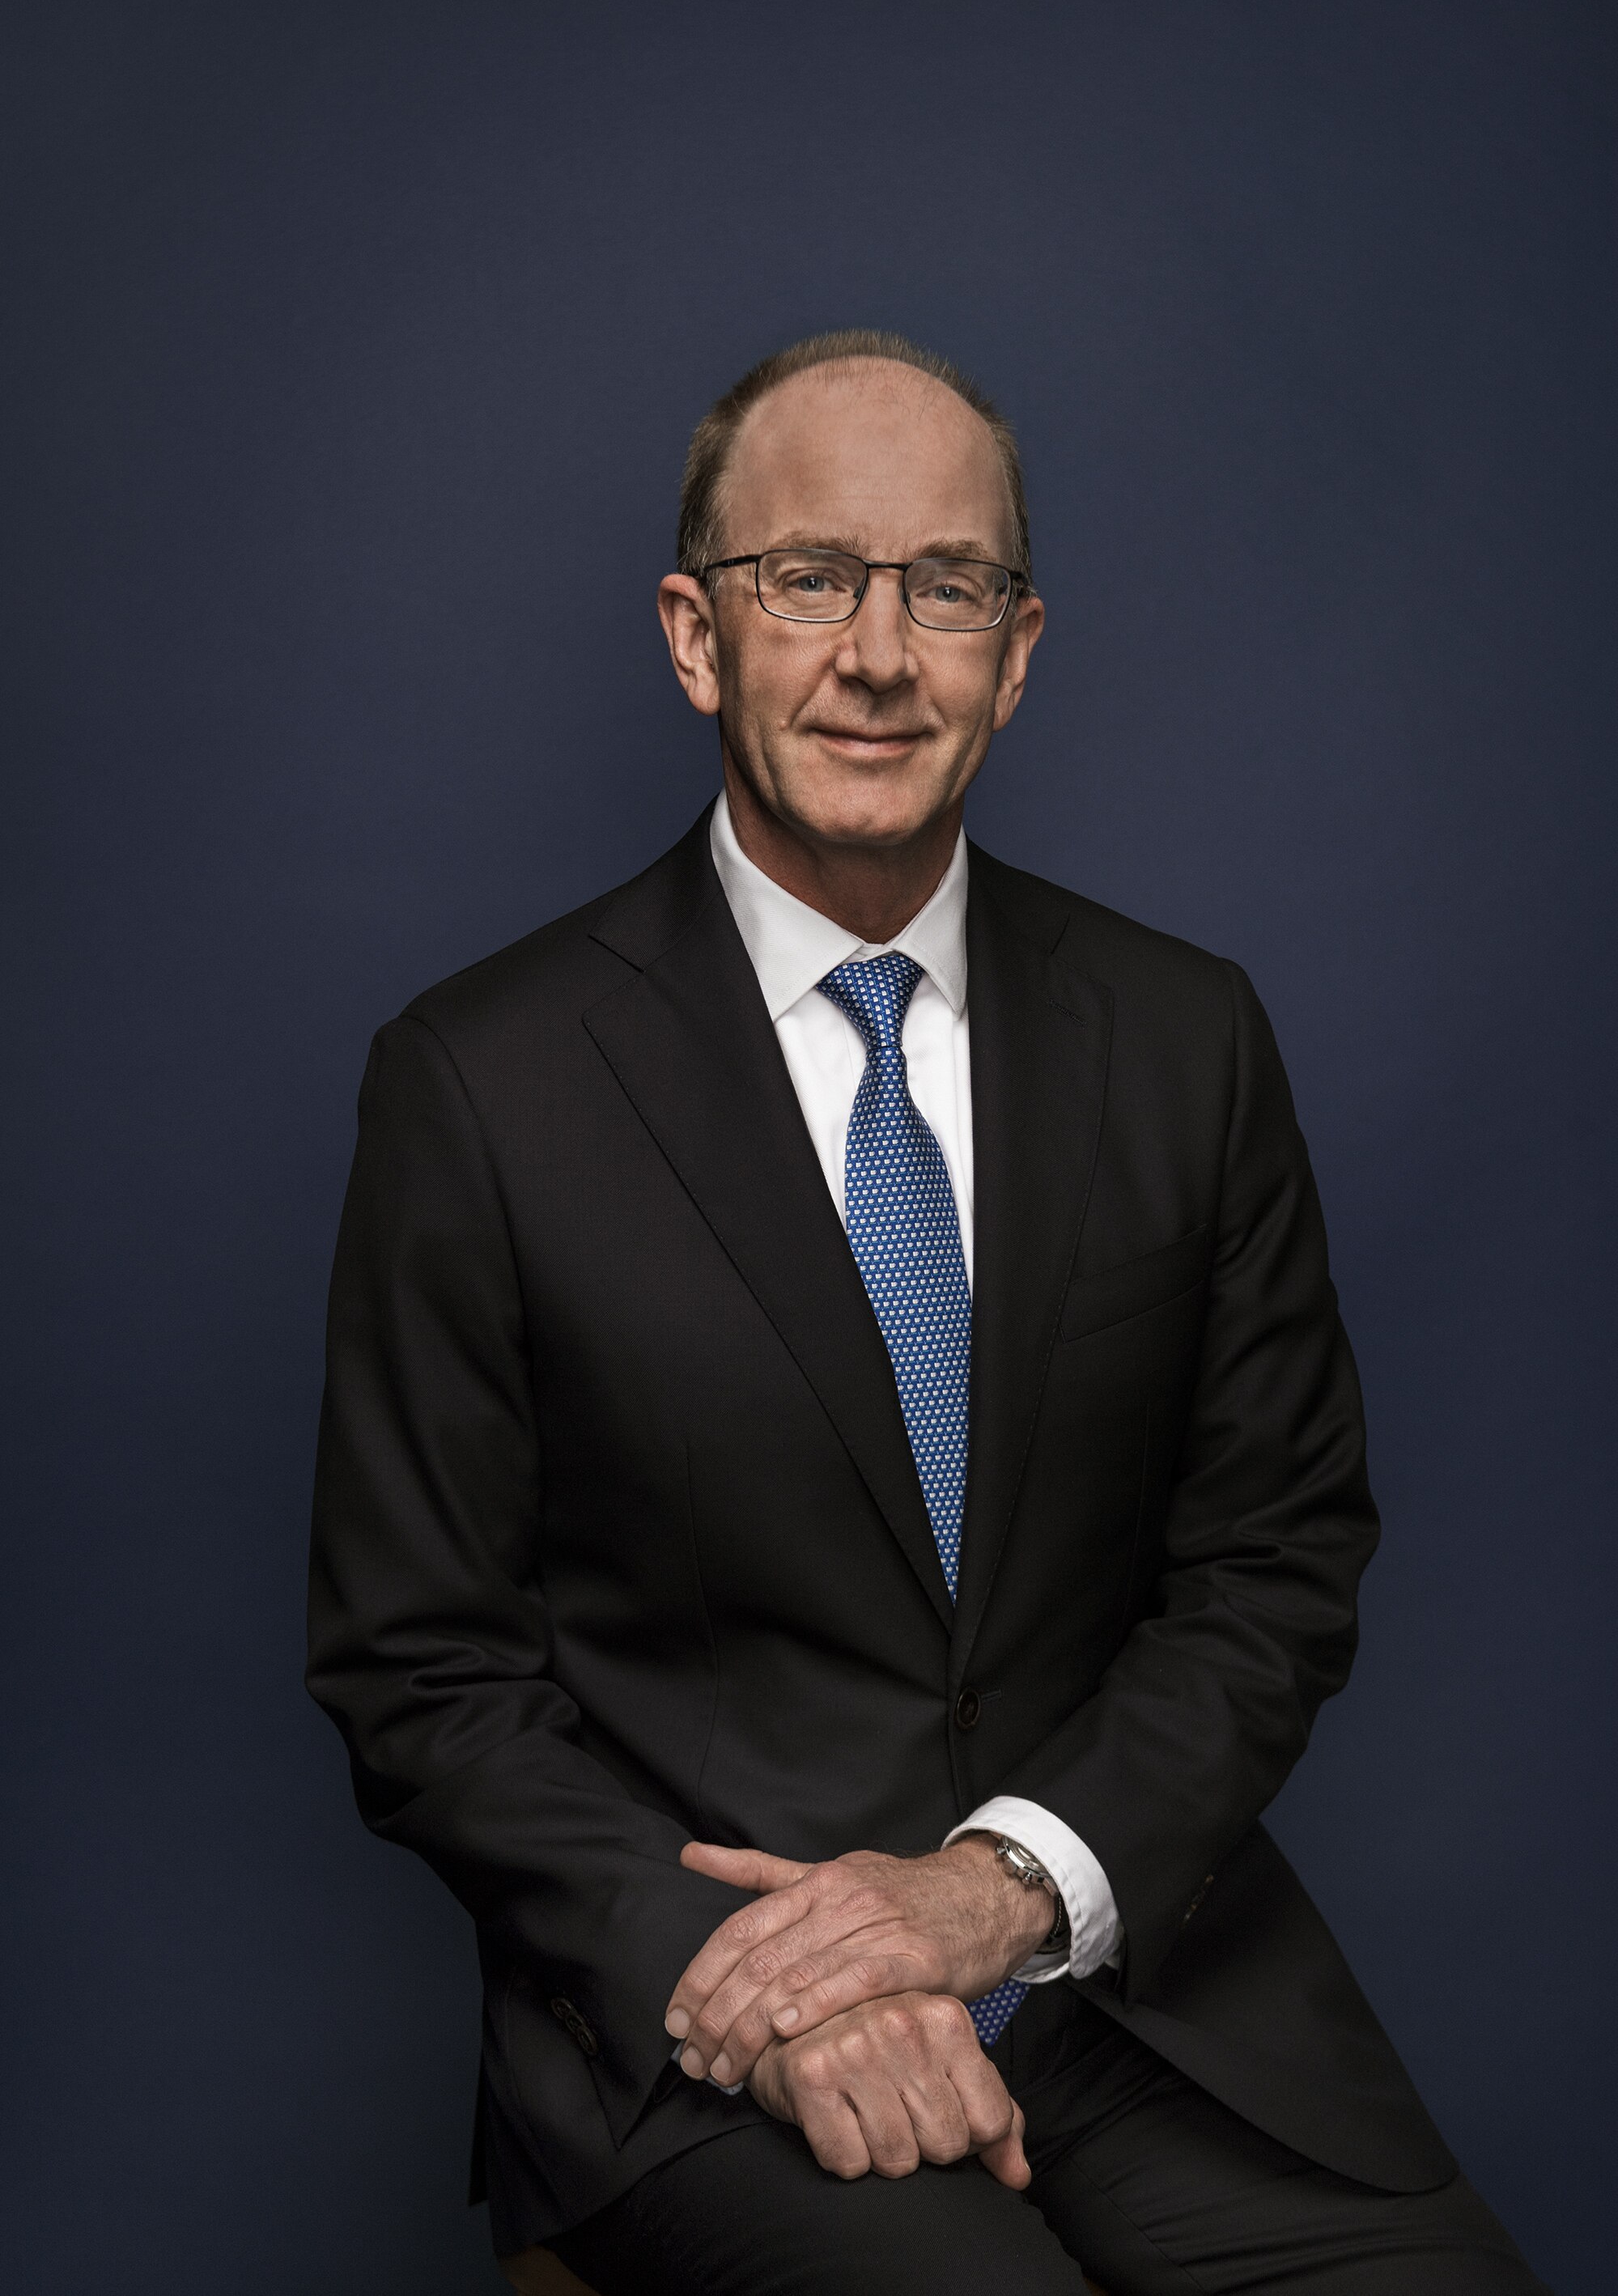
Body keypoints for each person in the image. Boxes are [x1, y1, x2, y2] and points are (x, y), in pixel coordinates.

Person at [307, 330, 1544, 2293]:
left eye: (946, 587)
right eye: (809, 577)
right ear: (697, 636)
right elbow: (421, 1670)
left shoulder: (1185, 1038)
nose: (879, 654)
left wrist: (998, 1891)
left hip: (1133, 1990)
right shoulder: (480, 1083)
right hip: (707, 2028)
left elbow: (1276, 1566)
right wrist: (767, 1983)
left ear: (1016, 652)